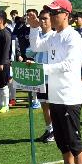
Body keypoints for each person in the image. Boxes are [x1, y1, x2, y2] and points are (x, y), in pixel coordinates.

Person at [28, 0, 82, 164]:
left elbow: (69, 65)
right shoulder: (54, 36)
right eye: (50, 13)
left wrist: (42, 69)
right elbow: (36, 46)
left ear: (66, 15)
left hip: (69, 96)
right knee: (62, 139)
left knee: (74, 139)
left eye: (55, 13)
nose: (52, 17)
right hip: (54, 96)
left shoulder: (73, 37)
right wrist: (34, 27)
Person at [28, 9, 55, 141]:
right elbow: (31, 51)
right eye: (41, 18)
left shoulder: (54, 36)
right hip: (40, 76)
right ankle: (49, 128)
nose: (42, 21)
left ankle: (55, 130)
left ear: (52, 20)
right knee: (44, 104)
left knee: (52, 105)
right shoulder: (37, 34)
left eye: (45, 18)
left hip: (51, 77)